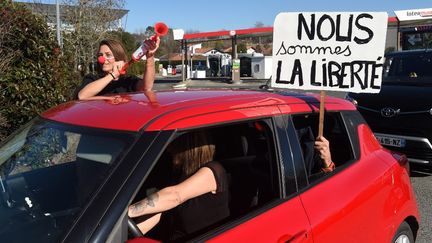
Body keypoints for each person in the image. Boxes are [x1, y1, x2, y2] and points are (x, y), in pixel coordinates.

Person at [128, 131, 229, 240]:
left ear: (187, 148)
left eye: (173, 144)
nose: (168, 149)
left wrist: (126, 212)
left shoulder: (212, 171)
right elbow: (158, 211)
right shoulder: (178, 175)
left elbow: (175, 196)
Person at [74, 38, 160, 100]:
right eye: (100, 55)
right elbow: (82, 95)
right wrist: (112, 75)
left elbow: (147, 87)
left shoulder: (127, 81)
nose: (102, 59)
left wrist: (150, 57)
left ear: (118, 57)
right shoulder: (91, 79)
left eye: (108, 55)